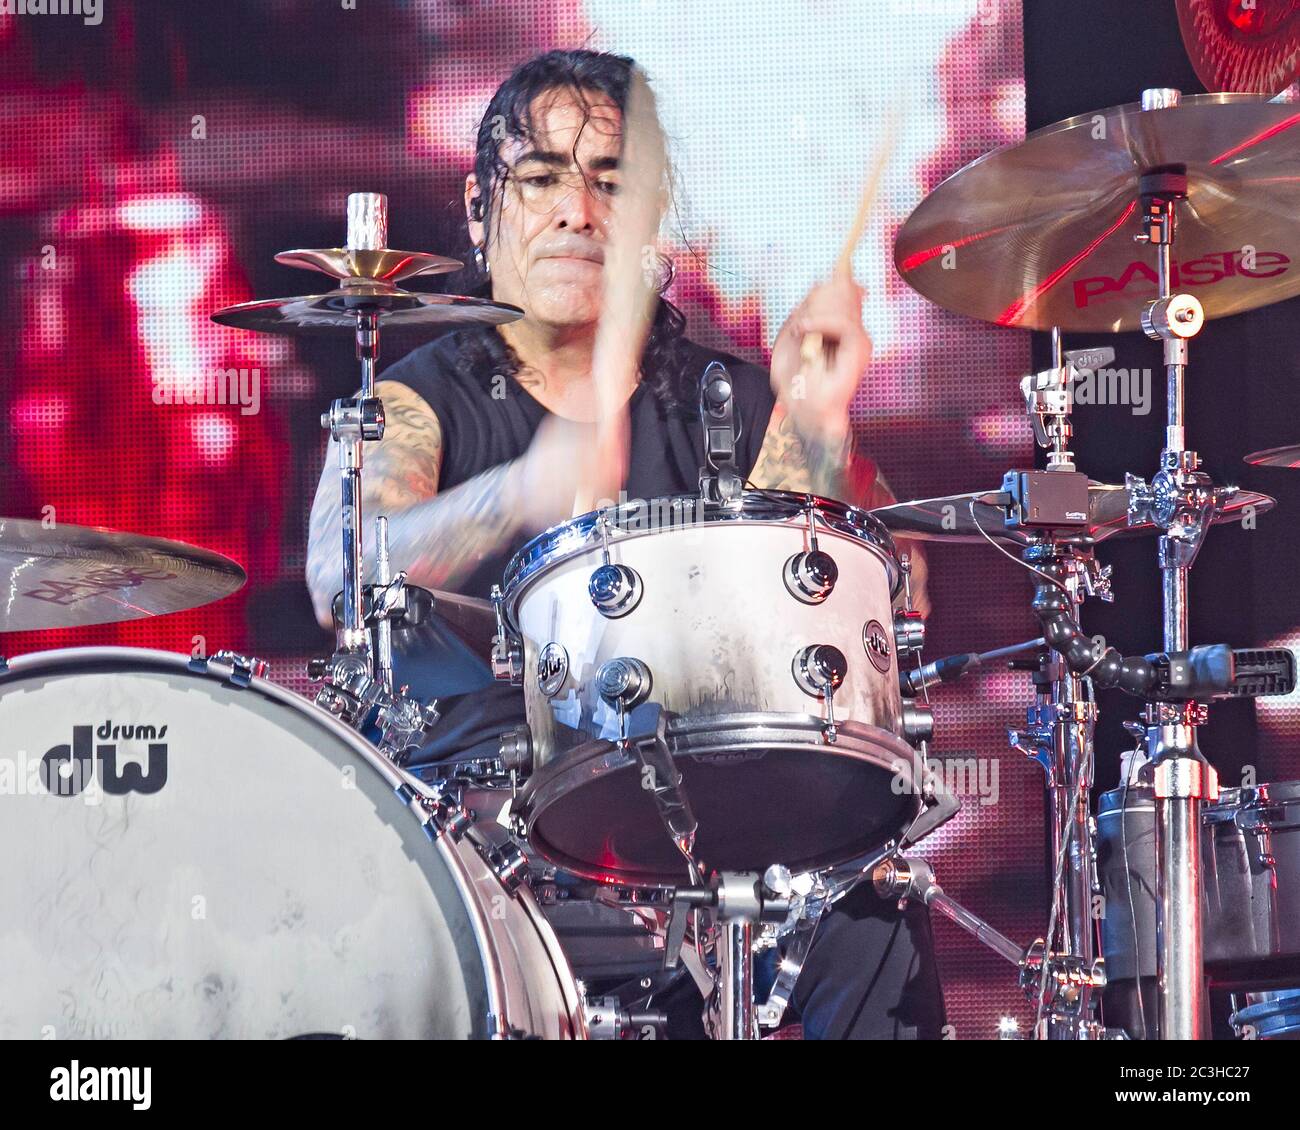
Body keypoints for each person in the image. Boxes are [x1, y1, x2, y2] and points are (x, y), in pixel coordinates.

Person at [306, 48, 942, 1040]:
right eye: (543, 178)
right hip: (496, 839)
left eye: (612, 184)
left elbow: (880, 586)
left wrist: (818, 414)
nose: (578, 212)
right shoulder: (421, 398)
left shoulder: (716, 396)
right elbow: (338, 572)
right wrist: (527, 487)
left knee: (871, 918)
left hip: (722, 821)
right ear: (480, 211)